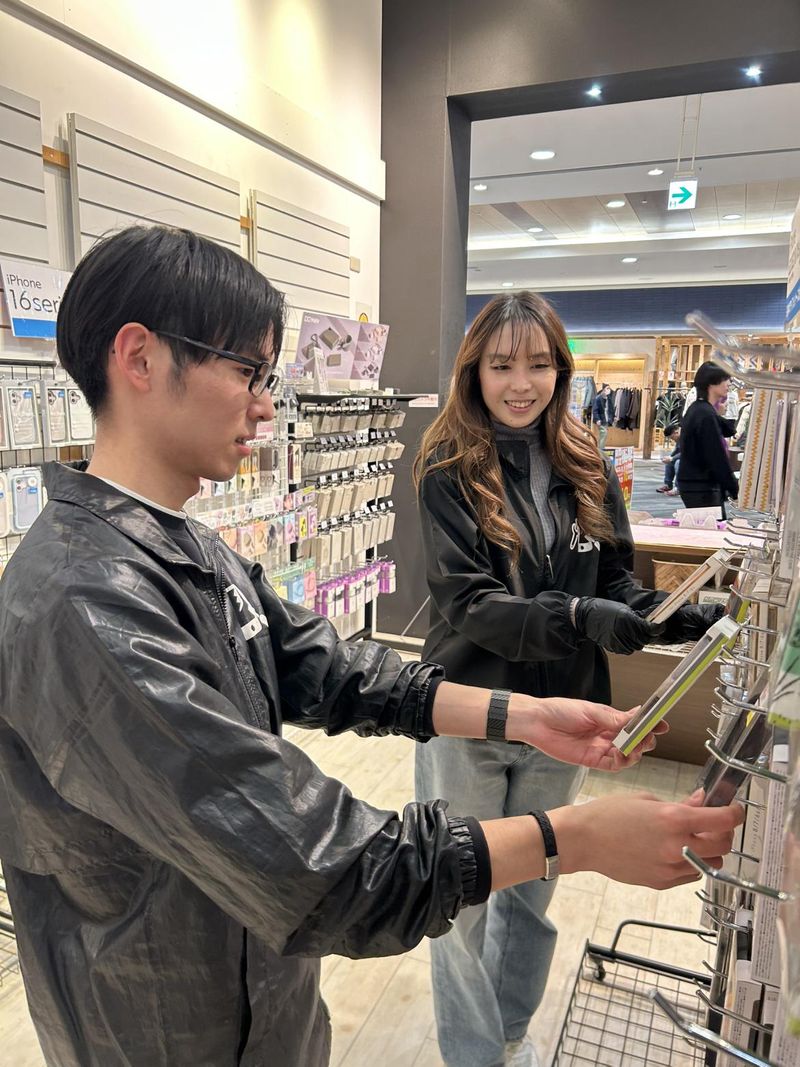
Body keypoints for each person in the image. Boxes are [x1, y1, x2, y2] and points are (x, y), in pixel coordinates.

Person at [0, 229, 742, 1067]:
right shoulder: (85, 604)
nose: (265, 407)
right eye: (247, 371)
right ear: (139, 357)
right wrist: (576, 837)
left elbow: (328, 667)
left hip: (261, 999)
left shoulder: (183, 545)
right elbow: (324, 864)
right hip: (167, 1030)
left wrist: (523, 715)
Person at [413, 291, 727, 1067]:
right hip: (473, 711)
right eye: (501, 365)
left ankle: (508, 1035)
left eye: (537, 364)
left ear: (561, 368)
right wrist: (581, 615)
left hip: (568, 716)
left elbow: (614, 581)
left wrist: (673, 615)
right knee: (461, 900)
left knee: (534, 894)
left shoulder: (588, 463)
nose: (520, 383)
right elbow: (471, 604)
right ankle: (475, 1057)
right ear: (474, 372)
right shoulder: (448, 469)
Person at [676, 362, 739, 518]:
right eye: (725, 379)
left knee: (710, 526)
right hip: (700, 485)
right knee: (712, 528)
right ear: (712, 382)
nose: (729, 384)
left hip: (696, 482)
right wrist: (734, 488)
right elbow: (716, 456)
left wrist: (718, 412)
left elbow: (729, 430)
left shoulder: (701, 409)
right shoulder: (704, 414)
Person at [656, 423, 681, 494]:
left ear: (676, 432)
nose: (672, 440)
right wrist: (670, 457)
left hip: (694, 458)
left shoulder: (687, 436)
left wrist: (672, 458)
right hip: (685, 457)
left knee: (678, 463)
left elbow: (686, 452)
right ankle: (668, 484)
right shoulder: (679, 438)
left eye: (672, 438)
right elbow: (677, 450)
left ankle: (678, 488)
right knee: (669, 462)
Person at [592, 382, 612, 448]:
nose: (609, 390)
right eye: (607, 388)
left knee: (603, 435)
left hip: (606, 419)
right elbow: (595, 410)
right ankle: (601, 450)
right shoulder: (598, 398)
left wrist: (613, 417)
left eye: (609, 388)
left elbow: (610, 409)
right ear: (603, 389)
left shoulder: (608, 398)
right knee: (604, 433)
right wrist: (597, 419)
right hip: (600, 419)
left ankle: (601, 448)